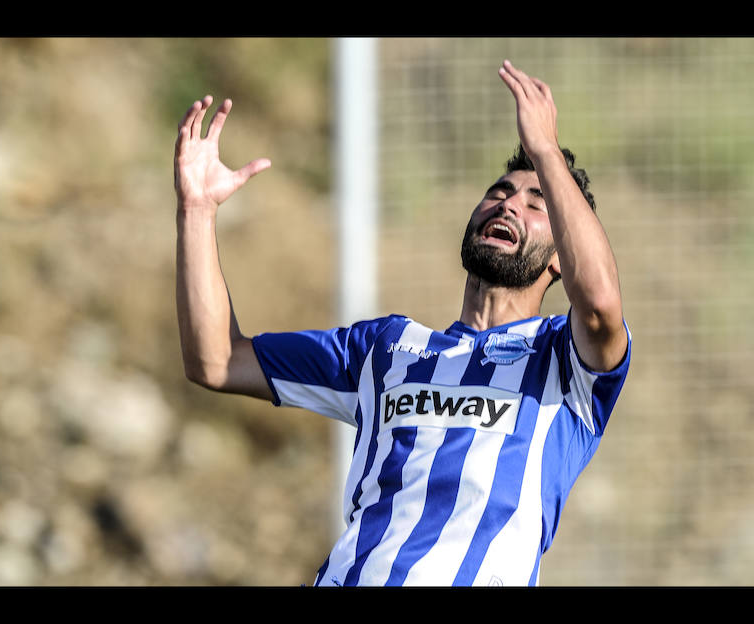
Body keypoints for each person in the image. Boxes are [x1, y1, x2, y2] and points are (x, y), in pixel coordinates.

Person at [174, 59, 630, 586]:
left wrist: (546, 151)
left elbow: (598, 303)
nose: (507, 205)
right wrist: (196, 212)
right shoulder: (386, 348)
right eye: (499, 192)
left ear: (560, 258)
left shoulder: (564, 363)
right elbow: (215, 359)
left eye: (538, 202)